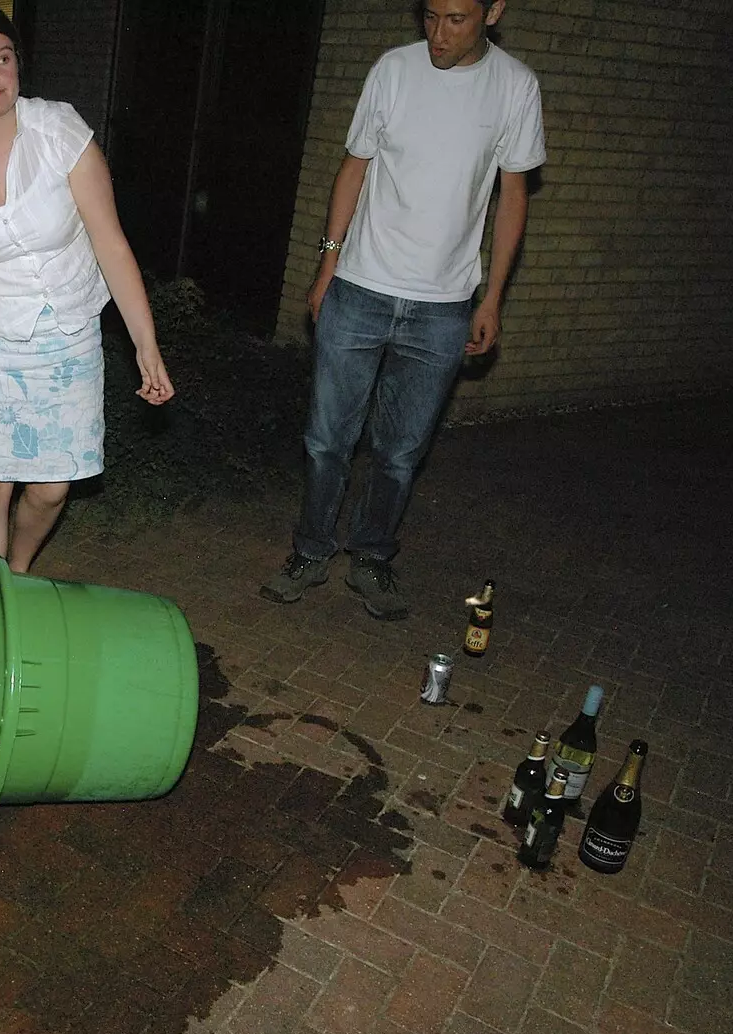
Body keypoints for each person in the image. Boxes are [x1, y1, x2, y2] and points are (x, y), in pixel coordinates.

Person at [260, 0, 545, 620]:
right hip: (359, 289)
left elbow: (514, 196)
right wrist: (327, 264)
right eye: (430, 16)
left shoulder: (516, 87)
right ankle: (310, 552)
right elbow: (354, 167)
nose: (438, 34)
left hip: (442, 307)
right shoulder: (392, 69)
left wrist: (492, 297)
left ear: (492, 12)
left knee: (399, 451)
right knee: (325, 440)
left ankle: (371, 557)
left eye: (457, 20)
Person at [0, 0, 174, 577]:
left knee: (53, 489)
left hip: (67, 338)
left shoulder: (61, 131)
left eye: (2, 59)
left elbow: (111, 244)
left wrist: (144, 344)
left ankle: (18, 570)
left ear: (18, 64)